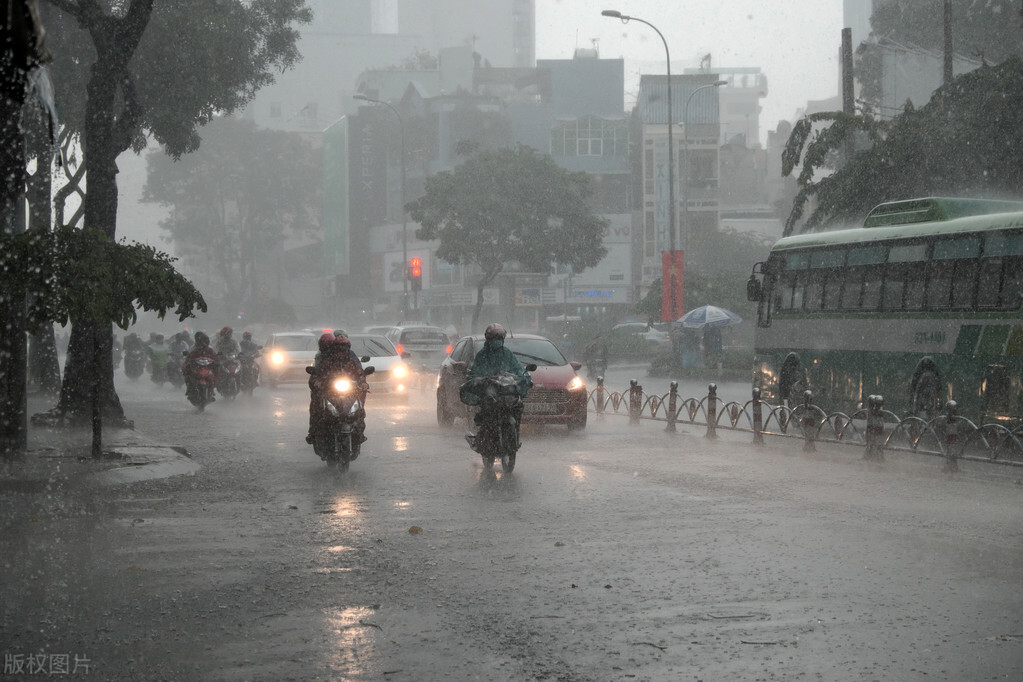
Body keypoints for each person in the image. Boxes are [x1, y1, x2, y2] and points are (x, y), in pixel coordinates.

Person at [464, 323, 532, 441]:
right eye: (494, 338)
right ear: (488, 339)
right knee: (485, 412)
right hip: (490, 394)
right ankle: (482, 438)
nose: (497, 341)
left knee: (518, 406)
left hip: (505, 395)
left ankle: (514, 437)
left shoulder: (507, 354)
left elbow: (518, 368)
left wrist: (523, 377)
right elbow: (475, 373)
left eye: (499, 338)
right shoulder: (482, 355)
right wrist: (478, 380)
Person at [306, 334, 367, 445]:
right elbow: (317, 374)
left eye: (344, 347)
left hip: (349, 393)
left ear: (348, 348)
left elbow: (360, 373)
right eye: (338, 346)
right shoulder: (327, 362)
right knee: (317, 408)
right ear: (333, 347)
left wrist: (363, 383)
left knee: (359, 410)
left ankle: (359, 434)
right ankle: (314, 433)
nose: (341, 350)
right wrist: (317, 382)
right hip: (330, 393)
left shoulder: (352, 362)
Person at [183, 331, 220, 402]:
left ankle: (212, 388)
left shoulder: (210, 350)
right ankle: (189, 388)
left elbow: (215, 357)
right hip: (197, 368)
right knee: (187, 371)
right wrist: (189, 362)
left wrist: (216, 361)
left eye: (205, 341)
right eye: (202, 341)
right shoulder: (194, 349)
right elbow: (189, 358)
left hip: (207, 367)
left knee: (216, 370)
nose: (203, 343)